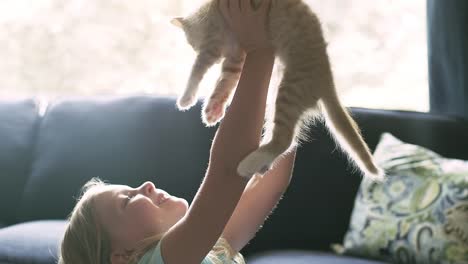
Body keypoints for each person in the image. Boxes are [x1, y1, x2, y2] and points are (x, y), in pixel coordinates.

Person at [59, 0, 298, 263]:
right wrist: (260, 48)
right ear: (123, 256)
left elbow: (271, 182)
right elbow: (229, 172)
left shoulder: (207, 252)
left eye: (133, 188)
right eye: (128, 200)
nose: (146, 185)